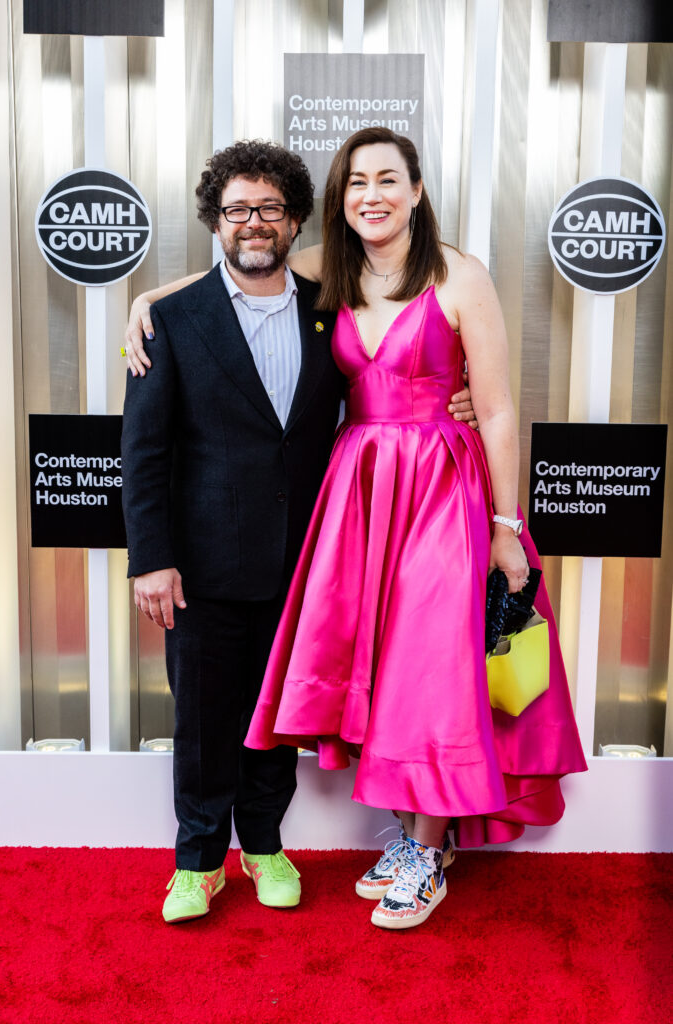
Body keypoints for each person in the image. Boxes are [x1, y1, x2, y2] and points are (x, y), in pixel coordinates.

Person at [121, 138, 476, 925]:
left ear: (292, 222)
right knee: (205, 718)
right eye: (237, 209)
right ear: (215, 219)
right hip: (203, 561)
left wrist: (463, 402)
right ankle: (197, 861)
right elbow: (141, 452)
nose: (254, 223)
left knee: (275, 719)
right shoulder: (173, 321)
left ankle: (265, 845)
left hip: (311, 556)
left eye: (270, 209)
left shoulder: (330, 302)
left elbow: (403, 363)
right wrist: (152, 560)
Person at [241, 128, 587, 930]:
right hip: (358, 490)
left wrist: (506, 526)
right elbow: (237, 276)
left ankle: (428, 849)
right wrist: (151, 299)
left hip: (443, 487)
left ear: (416, 190)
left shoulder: (460, 274)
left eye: (388, 179)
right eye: (356, 180)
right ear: (342, 196)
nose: (372, 194)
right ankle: (414, 834)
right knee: (386, 662)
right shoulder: (330, 269)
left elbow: (496, 408)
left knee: (435, 666)